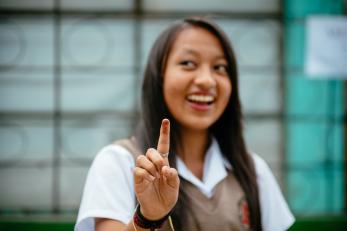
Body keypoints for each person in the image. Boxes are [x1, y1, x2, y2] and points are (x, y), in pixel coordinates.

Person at [75, 17, 295, 231]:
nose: (206, 81)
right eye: (188, 63)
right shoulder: (119, 162)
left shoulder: (253, 171)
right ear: (159, 76)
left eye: (220, 67)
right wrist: (148, 217)